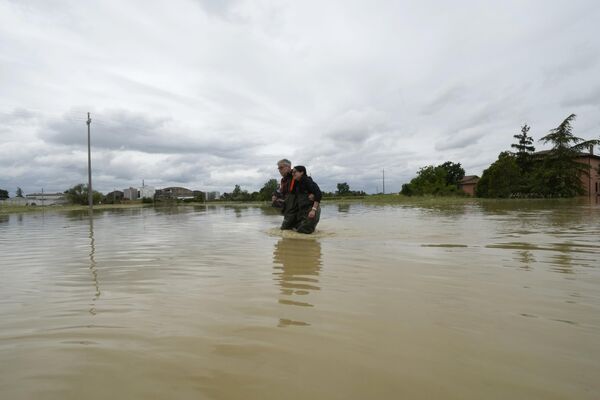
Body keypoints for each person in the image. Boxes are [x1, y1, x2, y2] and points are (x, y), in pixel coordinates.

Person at [281, 165, 322, 234]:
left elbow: (318, 194)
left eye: (295, 172)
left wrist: (313, 210)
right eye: (292, 173)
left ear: (302, 172)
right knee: (297, 230)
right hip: (302, 212)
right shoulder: (297, 183)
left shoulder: (307, 181)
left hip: (311, 211)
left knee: (303, 232)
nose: (293, 174)